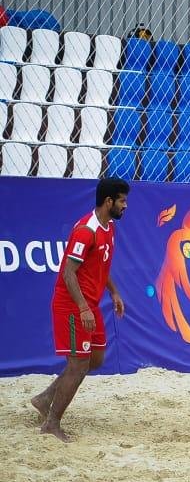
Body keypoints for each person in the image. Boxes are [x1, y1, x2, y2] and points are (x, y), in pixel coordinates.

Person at [32, 177, 130, 442]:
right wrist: (83, 308)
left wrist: (113, 291)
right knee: (78, 364)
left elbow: (101, 265)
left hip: (89, 304)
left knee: (95, 359)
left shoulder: (109, 227)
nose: (125, 205)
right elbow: (68, 273)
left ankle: (45, 398)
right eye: (122, 201)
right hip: (73, 305)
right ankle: (51, 423)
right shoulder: (86, 230)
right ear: (108, 201)